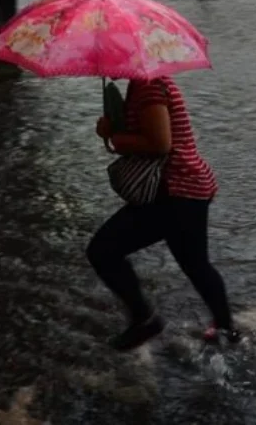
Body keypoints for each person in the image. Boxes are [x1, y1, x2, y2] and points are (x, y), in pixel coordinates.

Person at [89, 76, 239, 351]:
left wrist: (114, 136)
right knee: (196, 264)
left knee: (102, 250)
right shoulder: (143, 84)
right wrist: (112, 132)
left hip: (175, 191)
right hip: (186, 189)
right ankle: (227, 331)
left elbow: (160, 143)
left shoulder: (148, 87)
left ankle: (145, 319)